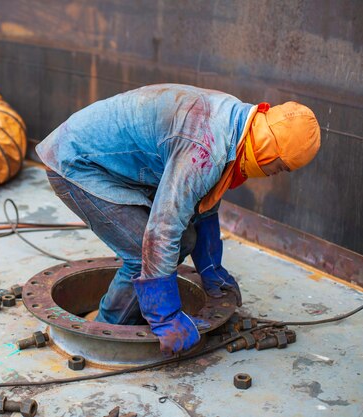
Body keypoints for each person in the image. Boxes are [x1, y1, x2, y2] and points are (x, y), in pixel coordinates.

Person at [36, 84, 321, 356]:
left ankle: (127, 312)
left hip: (114, 162)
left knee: (183, 241)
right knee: (140, 252)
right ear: (269, 147)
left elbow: (200, 199)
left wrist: (210, 266)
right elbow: (162, 229)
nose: (275, 174)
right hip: (77, 162)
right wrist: (166, 316)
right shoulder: (207, 147)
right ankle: (105, 330)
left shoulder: (238, 123)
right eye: (280, 166)